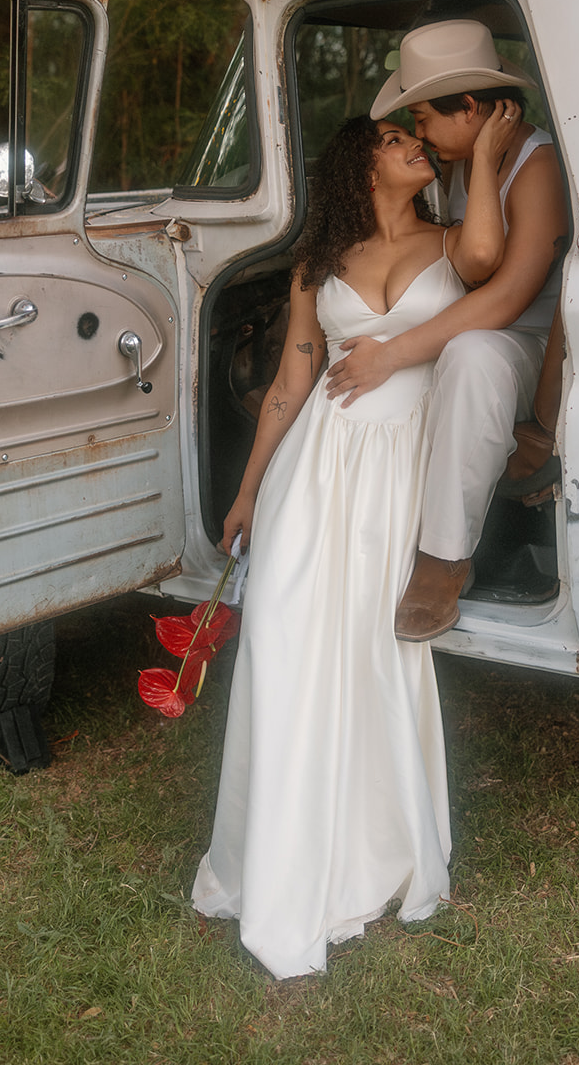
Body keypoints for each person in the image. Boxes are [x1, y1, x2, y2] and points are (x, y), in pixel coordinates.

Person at [192, 107, 518, 979]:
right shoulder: (316, 265)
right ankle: (279, 857)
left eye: (422, 138)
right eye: (395, 137)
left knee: (375, 649)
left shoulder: (452, 243)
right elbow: (290, 380)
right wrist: (251, 487)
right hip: (316, 464)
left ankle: (374, 848)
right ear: (361, 165)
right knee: (285, 637)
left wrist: (483, 153)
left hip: (400, 467)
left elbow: (491, 259)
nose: (417, 142)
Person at [325, 19, 569, 641]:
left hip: (530, 346)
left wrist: (390, 355)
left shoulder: (535, 164)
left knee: (475, 352)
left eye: (426, 120)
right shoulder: (458, 162)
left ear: (469, 108)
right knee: (463, 352)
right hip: (462, 339)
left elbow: (509, 297)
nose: (420, 136)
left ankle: (441, 562)